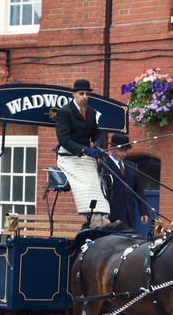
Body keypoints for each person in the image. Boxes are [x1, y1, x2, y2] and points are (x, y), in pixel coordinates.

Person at [54, 78, 111, 228]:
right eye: (81, 93)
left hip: (87, 157)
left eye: (87, 94)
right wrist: (84, 149)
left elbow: (96, 133)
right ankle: (94, 222)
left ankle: (105, 221)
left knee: (98, 185)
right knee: (86, 186)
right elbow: (64, 139)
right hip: (69, 156)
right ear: (74, 94)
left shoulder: (91, 112)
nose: (85, 97)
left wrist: (98, 142)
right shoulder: (64, 112)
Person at [103, 133, 150, 229]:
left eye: (125, 151)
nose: (123, 154)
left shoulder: (131, 166)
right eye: (121, 150)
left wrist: (144, 211)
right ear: (111, 148)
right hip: (111, 217)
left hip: (128, 216)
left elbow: (139, 190)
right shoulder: (103, 166)